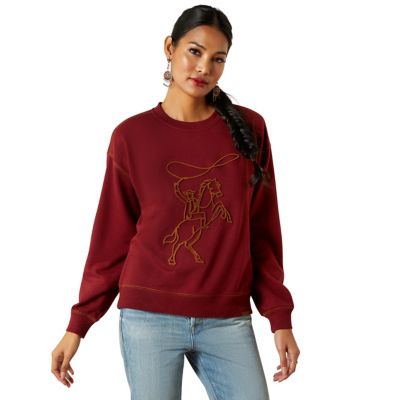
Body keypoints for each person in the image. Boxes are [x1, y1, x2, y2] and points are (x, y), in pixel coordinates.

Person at [51, 4, 300, 399]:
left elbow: (262, 232)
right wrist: (78, 324)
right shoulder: (131, 137)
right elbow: (111, 238)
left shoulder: (249, 130)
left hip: (227, 318)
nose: (204, 68)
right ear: (170, 48)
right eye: (194, 52)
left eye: (218, 59)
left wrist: (279, 316)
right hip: (147, 317)